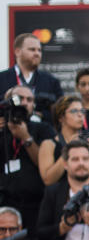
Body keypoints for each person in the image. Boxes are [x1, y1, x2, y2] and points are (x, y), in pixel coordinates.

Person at [0, 86, 57, 230]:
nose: (25, 103)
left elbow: (44, 165)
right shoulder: (2, 130)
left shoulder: (44, 129)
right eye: (20, 99)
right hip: (6, 205)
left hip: (36, 205)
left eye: (29, 100)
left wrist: (26, 138)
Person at [40, 96, 89, 185]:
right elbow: (48, 180)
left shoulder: (88, 141)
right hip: (60, 196)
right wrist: (68, 149)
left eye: (82, 111)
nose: (80, 115)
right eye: (74, 111)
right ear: (61, 117)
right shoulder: (49, 144)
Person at [0, 33, 63, 125]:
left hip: (41, 135)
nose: (37, 53)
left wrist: (41, 115)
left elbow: (61, 112)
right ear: (17, 51)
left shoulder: (52, 81)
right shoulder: (2, 78)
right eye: (32, 49)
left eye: (39, 50)